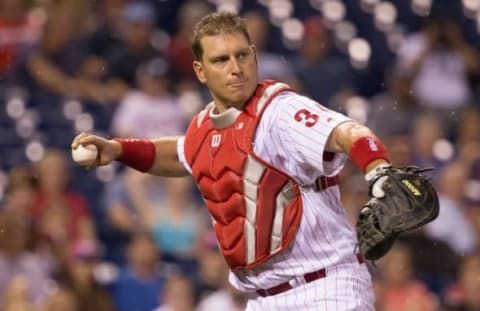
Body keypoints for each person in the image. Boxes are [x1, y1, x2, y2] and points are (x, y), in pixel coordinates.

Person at [72, 11, 426, 310]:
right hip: (261, 299)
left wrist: (378, 171)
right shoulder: (204, 126)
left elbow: (347, 132)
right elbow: (181, 154)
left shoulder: (280, 110)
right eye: (221, 60)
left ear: (255, 56)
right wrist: (119, 149)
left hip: (325, 289)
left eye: (242, 55)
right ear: (199, 70)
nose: (235, 68)